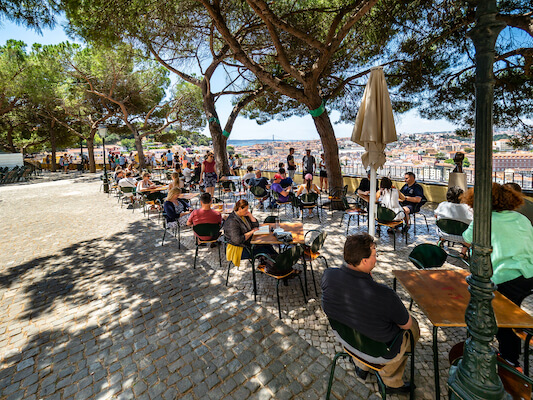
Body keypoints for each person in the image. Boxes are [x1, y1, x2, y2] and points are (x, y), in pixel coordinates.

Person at [321, 234, 419, 394]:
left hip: (346, 340)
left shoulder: (328, 275)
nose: (377, 258)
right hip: (379, 352)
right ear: (365, 261)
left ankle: (361, 367)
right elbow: (406, 325)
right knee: (413, 327)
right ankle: (391, 382)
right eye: (375, 254)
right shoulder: (385, 295)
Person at [462, 183, 533, 368]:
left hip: (505, 276)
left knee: (502, 319)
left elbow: (467, 239)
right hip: (529, 273)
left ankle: (510, 360)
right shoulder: (521, 218)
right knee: (512, 315)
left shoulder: (484, 221)